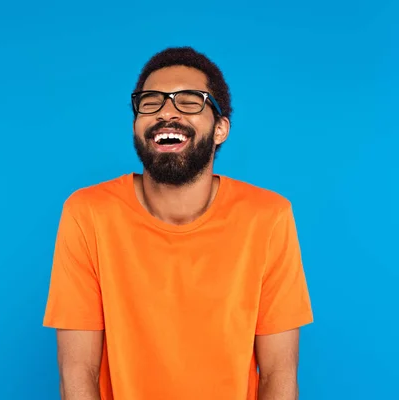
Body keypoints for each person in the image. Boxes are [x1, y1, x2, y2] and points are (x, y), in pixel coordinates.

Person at [43, 46, 313, 400]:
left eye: (190, 101)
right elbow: (78, 372)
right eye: (150, 101)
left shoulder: (268, 216)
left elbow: (279, 373)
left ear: (220, 129)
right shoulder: (88, 213)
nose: (166, 112)